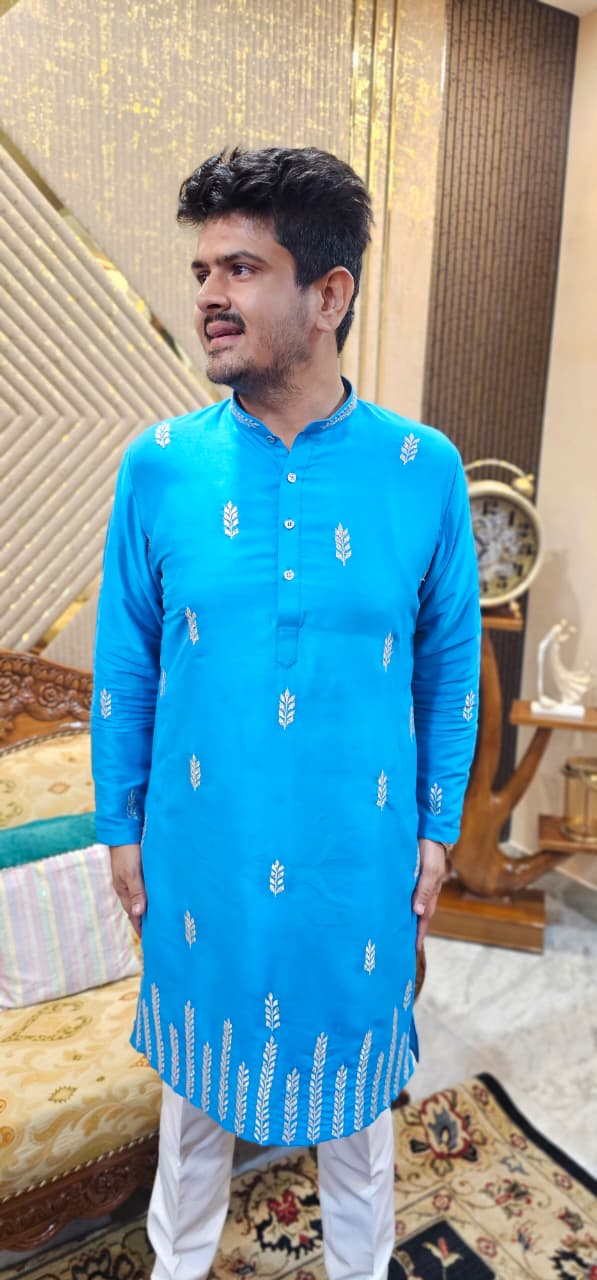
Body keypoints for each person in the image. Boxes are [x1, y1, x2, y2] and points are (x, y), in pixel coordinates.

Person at [91, 147, 480, 1280]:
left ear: (328, 294)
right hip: (200, 855)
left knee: (357, 1123)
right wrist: (120, 826)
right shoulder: (159, 467)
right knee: (192, 1112)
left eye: (242, 268)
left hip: (357, 859)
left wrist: (437, 829)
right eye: (202, 269)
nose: (209, 295)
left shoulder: (423, 468)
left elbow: (449, 667)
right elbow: (126, 662)